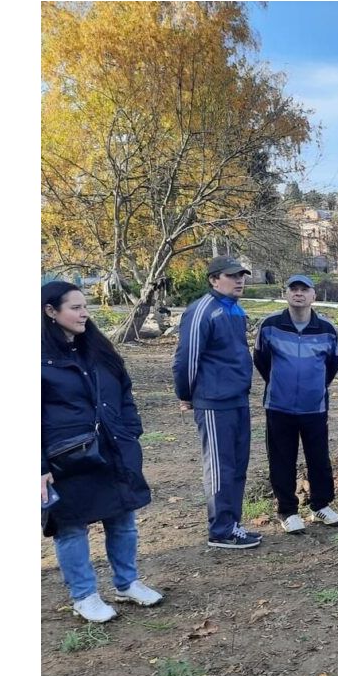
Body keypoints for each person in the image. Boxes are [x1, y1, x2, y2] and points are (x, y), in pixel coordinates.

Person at [42, 282, 163, 622]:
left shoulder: (97, 348)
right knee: (71, 527)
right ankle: (84, 595)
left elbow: (124, 391)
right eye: (75, 307)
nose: (84, 313)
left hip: (113, 449)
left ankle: (127, 583)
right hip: (66, 458)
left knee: (123, 518)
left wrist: (130, 429)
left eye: (85, 306)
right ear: (51, 311)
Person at [173, 256, 259, 549]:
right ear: (213, 279)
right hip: (213, 401)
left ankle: (233, 524)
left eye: (242, 276)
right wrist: (185, 394)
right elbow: (186, 357)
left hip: (238, 398)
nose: (239, 280)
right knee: (221, 466)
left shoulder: (235, 310)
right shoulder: (202, 311)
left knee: (237, 464)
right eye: (232, 276)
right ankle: (220, 529)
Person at [253, 274, 338, 534]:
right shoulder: (270, 325)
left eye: (305, 289)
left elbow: (332, 365)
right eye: (293, 289)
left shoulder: (327, 329)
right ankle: (288, 511)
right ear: (286, 294)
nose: (299, 294)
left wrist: (313, 386)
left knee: (318, 458)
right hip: (279, 407)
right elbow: (261, 361)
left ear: (314, 295)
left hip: (314, 407)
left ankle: (320, 506)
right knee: (282, 458)